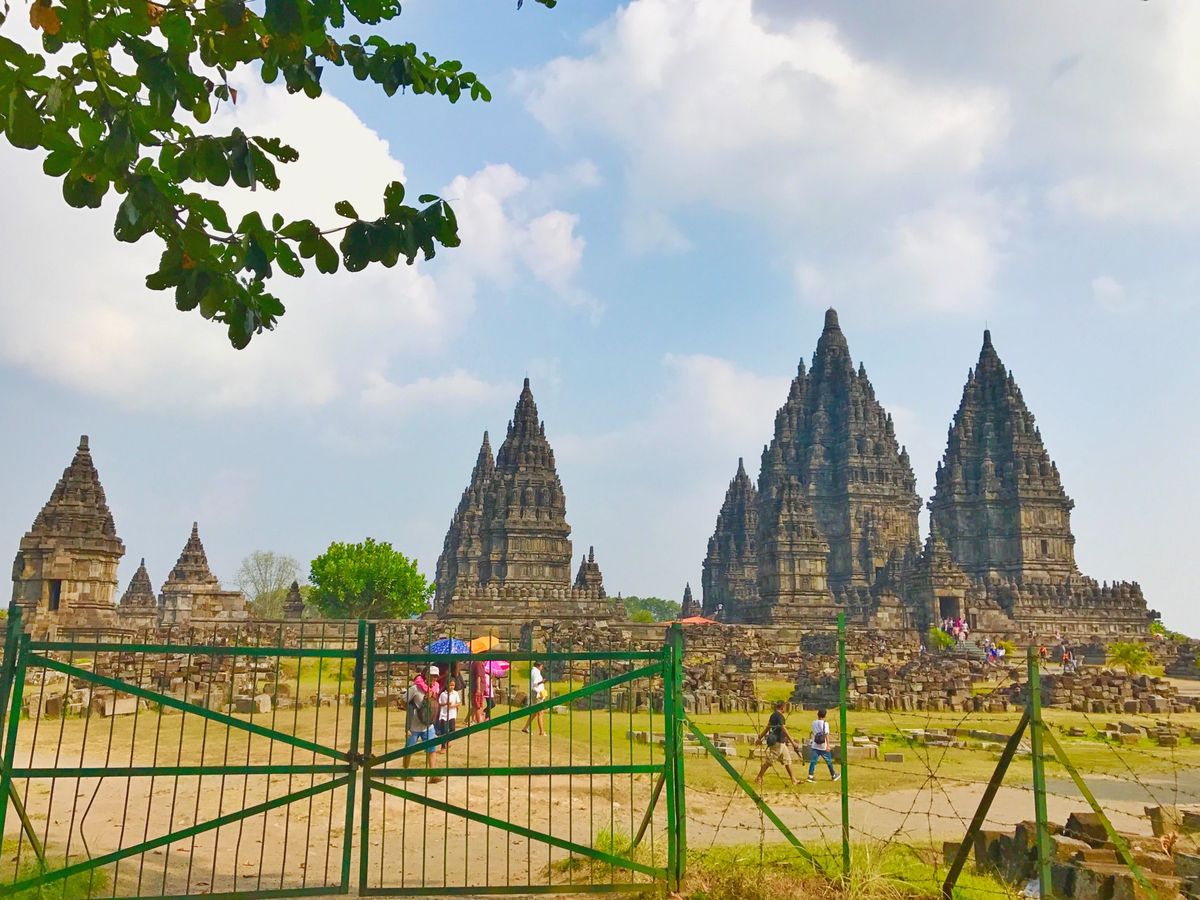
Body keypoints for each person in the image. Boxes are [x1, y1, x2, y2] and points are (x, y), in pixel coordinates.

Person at [403, 667, 442, 782]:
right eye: (432, 676)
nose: (434, 678)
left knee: (432, 750)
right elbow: (403, 700)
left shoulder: (435, 689)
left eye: (436, 676)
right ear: (426, 675)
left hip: (428, 725)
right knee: (409, 750)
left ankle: (432, 775)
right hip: (414, 725)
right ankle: (405, 772)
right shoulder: (415, 689)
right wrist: (412, 711)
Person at [754, 700, 800, 786]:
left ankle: (794, 780)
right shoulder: (780, 716)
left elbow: (767, 728)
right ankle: (759, 777)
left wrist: (760, 737)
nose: (785, 709)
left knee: (787, 760)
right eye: (785, 707)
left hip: (781, 742)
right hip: (777, 742)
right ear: (782, 707)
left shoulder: (773, 715)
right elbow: (784, 729)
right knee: (769, 761)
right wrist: (792, 742)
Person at [807, 708, 840, 783]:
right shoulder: (825, 723)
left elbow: (813, 732)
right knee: (829, 761)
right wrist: (828, 745)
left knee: (813, 761)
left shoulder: (813, 722)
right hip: (823, 746)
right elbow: (826, 735)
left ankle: (810, 776)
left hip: (815, 745)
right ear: (825, 715)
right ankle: (833, 775)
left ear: (818, 714)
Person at [522, 660, 547, 736]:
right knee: (540, 712)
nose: (542, 667)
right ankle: (541, 732)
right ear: (539, 665)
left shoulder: (534, 671)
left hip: (536, 692)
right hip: (537, 693)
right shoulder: (536, 672)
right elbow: (535, 683)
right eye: (542, 666)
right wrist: (542, 681)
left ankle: (526, 727)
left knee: (535, 712)